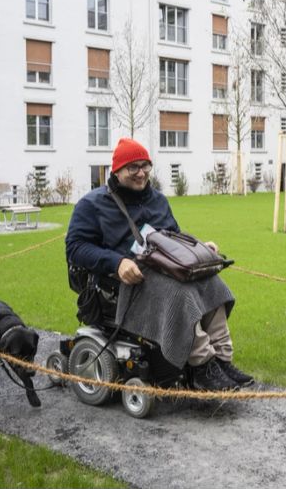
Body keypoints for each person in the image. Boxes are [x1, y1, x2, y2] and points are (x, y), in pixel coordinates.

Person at [65, 137, 253, 391]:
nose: (141, 173)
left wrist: (199, 251)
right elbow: (75, 247)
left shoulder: (157, 200)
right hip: (121, 283)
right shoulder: (92, 205)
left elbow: (174, 237)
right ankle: (201, 366)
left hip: (162, 271)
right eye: (133, 167)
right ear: (117, 170)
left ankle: (221, 359)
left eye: (146, 166)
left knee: (212, 283)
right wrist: (117, 262)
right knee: (181, 293)